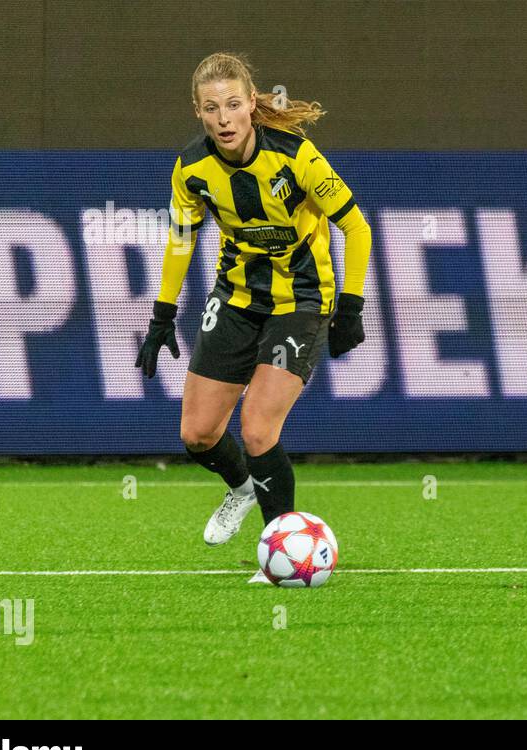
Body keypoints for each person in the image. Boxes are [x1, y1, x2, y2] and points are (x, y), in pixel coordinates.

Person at [135, 52, 371, 546]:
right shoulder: (192, 169)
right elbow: (181, 239)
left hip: (300, 299)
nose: (223, 118)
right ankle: (242, 488)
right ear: (198, 112)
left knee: (258, 429)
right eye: (211, 108)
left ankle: (281, 548)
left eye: (232, 104)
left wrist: (350, 306)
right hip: (237, 296)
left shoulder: (296, 156)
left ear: (251, 106)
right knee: (198, 434)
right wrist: (162, 314)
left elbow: (355, 225)